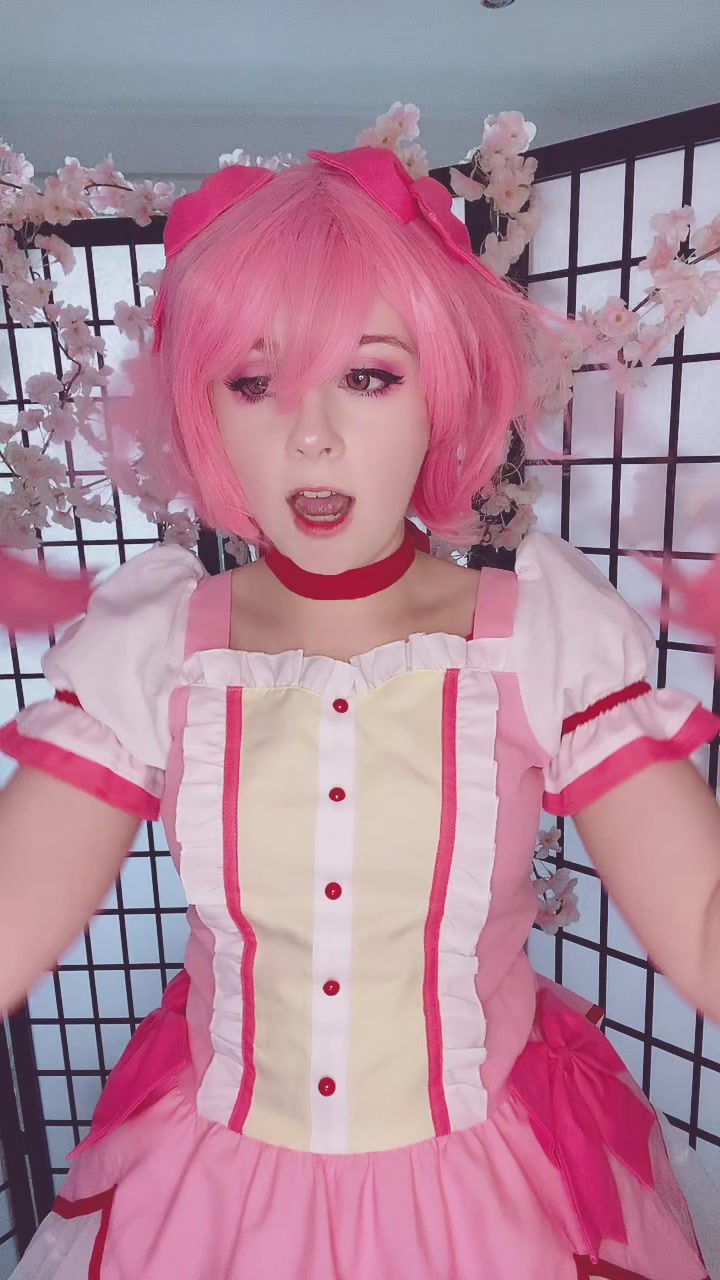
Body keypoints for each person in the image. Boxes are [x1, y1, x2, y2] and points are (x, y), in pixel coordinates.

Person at [1, 143, 720, 1280]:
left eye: (369, 376)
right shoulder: (158, 647)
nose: (312, 435)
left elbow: (704, 919)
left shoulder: (540, 634)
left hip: (490, 1204)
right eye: (254, 383)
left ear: (443, 386)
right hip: (215, 1204)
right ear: (204, 406)